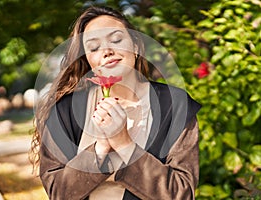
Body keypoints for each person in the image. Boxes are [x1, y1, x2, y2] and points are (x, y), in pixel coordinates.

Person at [30, 6, 201, 200]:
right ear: (88, 61)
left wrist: (124, 143)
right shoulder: (65, 111)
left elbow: (182, 194)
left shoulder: (174, 105)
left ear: (135, 47)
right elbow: (58, 193)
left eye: (117, 40)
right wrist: (100, 148)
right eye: (94, 47)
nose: (107, 51)